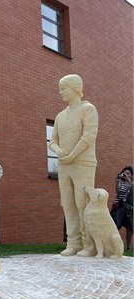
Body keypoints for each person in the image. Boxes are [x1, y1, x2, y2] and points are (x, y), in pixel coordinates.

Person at [49, 74, 98, 257]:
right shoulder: (60, 116)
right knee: (68, 204)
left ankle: (89, 244)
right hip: (64, 166)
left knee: (83, 202)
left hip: (83, 163)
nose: (60, 92)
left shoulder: (88, 109)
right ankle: (73, 243)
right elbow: (52, 140)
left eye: (63, 88)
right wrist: (58, 150)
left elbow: (89, 135)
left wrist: (73, 155)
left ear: (75, 88)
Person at [110, 166, 133, 251]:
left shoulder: (132, 183)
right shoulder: (121, 182)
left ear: (131, 175)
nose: (126, 175)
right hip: (118, 205)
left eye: (128, 173)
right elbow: (117, 191)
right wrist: (117, 182)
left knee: (129, 227)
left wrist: (128, 180)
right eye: (124, 173)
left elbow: (132, 190)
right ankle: (114, 245)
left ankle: (128, 247)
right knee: (115, 225)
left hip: (129, 207)